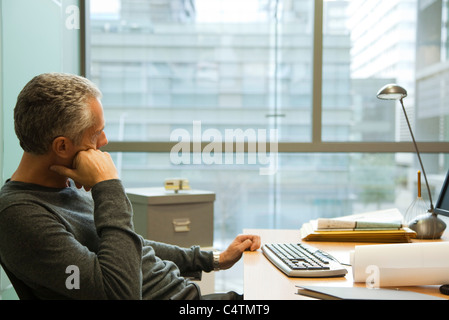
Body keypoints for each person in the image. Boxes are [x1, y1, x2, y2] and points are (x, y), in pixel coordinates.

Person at [0, 73, 261, 300]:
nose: (105, 140)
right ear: (62, 147)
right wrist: (109, 186)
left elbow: (128, 246)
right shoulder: (19, 216)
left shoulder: (63, 188)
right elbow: (119, 293)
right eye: (95, 133)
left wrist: (213, 260)